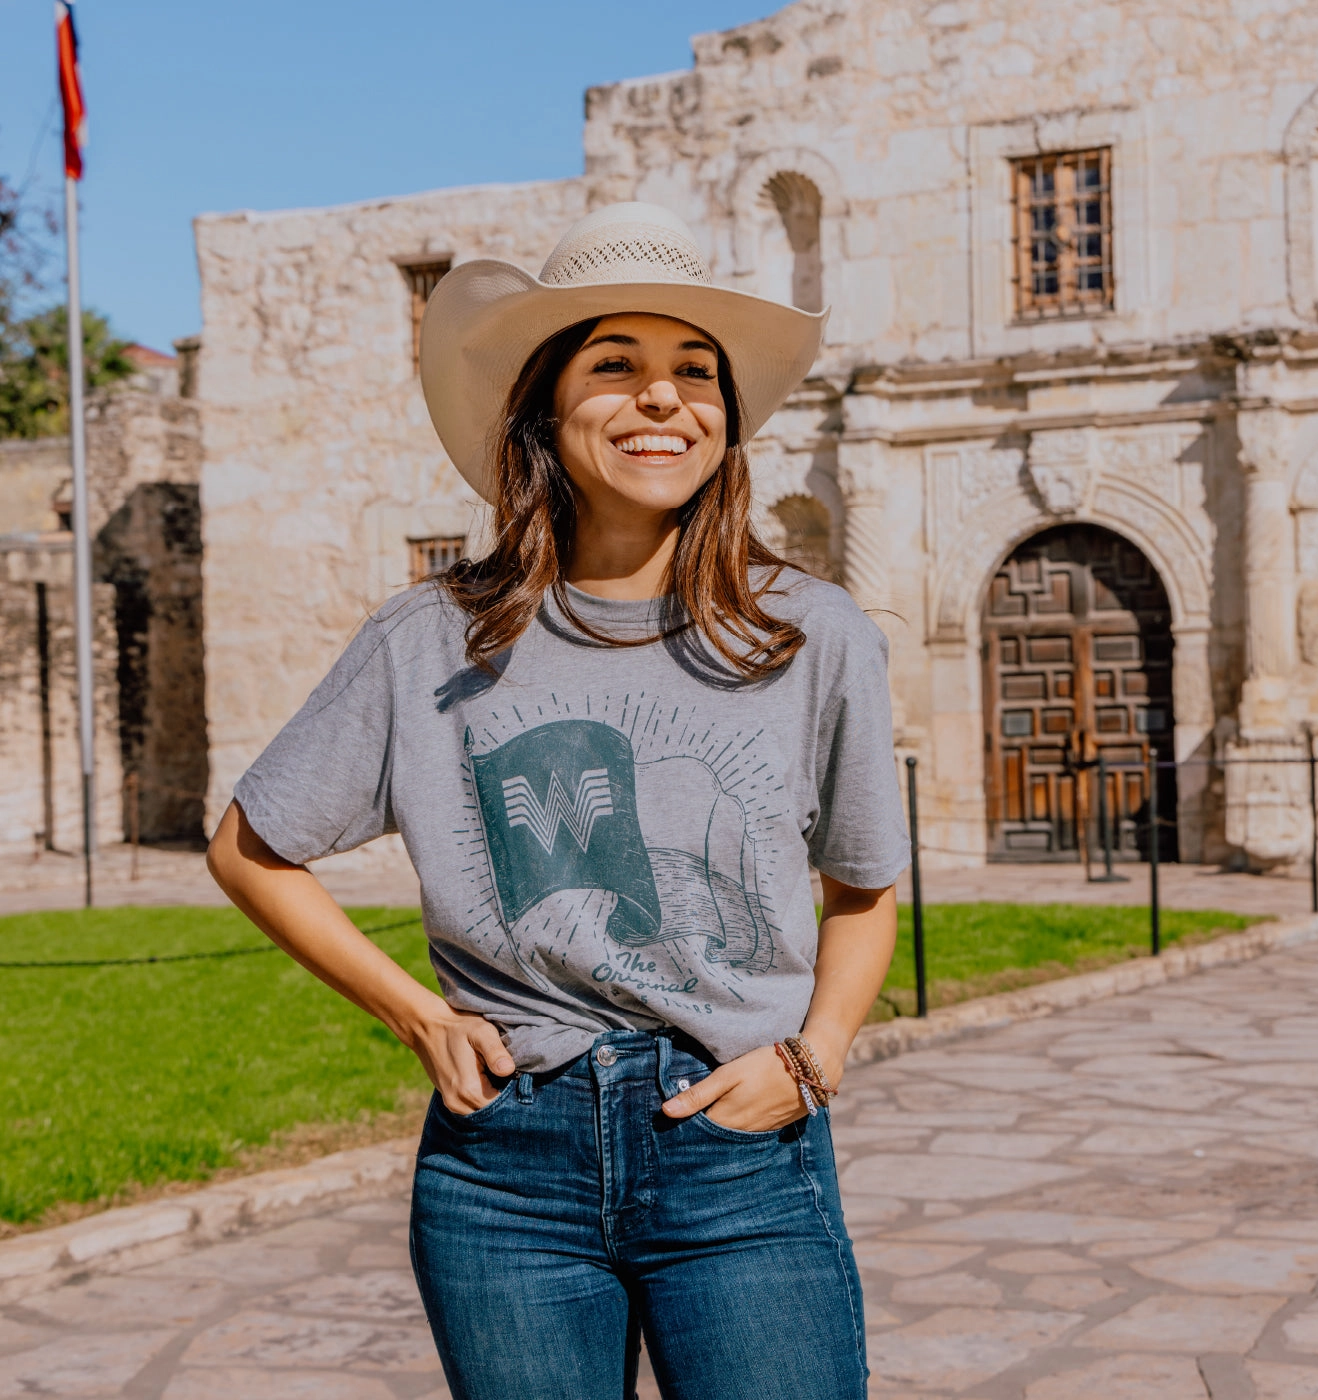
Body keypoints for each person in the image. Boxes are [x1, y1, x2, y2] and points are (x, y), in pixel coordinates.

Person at [207, 202, 910, 1400]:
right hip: (504, 1168)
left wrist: (816, 1055)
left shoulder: (809, 634)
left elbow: (863, 885)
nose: (661, 398)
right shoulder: (432, 635)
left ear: (726, 421)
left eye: (695, 371)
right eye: (615, 365)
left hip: (735, 1149)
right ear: (543, 406)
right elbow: (247, 847)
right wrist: (417, 1015)